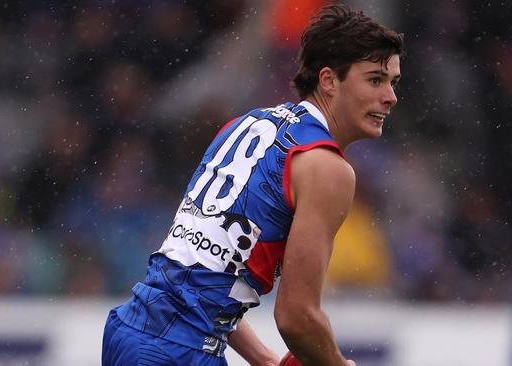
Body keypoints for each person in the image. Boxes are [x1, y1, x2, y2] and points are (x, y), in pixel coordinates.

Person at [102, 4, 403, 366]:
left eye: (392, 82)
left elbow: (199, 276)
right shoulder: (328, 169)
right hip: (179, 352)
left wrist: (265, 359)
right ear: (328, 80)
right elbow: (296, 317)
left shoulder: (244, 124)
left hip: (132, 331)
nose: (390, 96)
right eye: (375, 79)